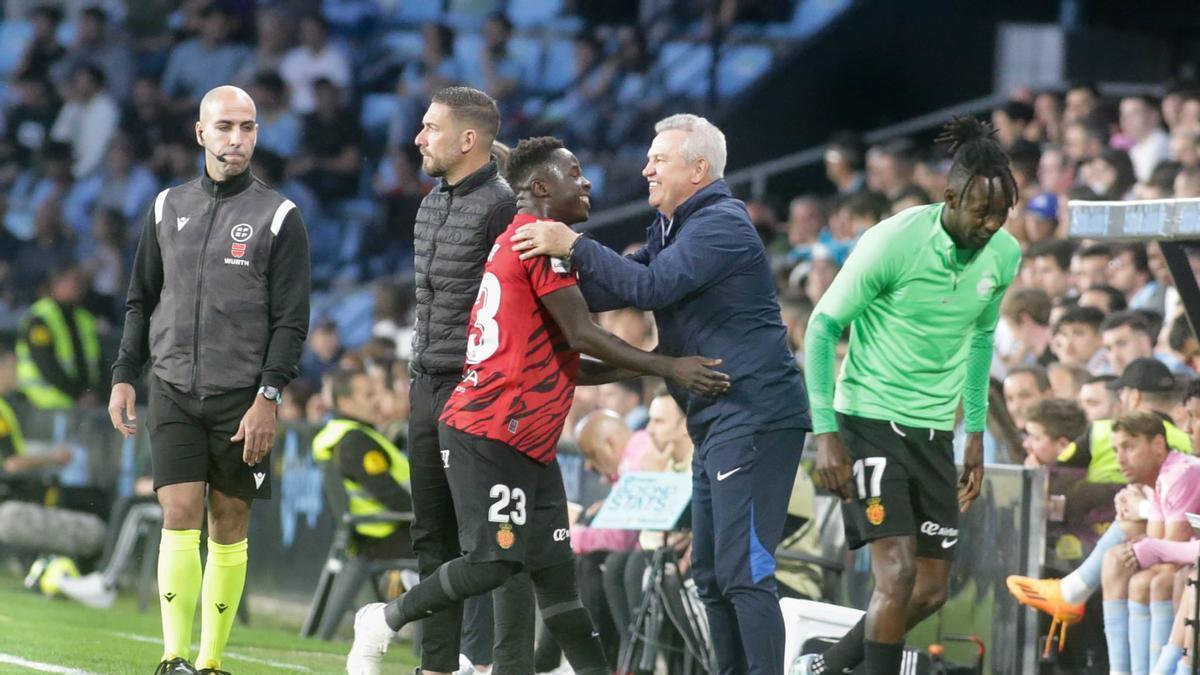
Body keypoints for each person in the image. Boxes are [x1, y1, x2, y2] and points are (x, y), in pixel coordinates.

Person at [346, 136, 730, 674]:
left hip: (528, 439)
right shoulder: (539, 242)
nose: (588, 181)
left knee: (557, 581)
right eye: (576, 172)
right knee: (493, 563)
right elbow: (583, 334)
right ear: (545, 188)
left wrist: (658, 357)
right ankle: (384, 619)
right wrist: (665, 367)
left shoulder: (520, 235)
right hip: (489, 432)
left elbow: (572, 361)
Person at [511, 114, 811, 674]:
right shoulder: (673, 227)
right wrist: (547, 264)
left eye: (659, 159)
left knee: (744, 571)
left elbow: (650, 287)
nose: (646, 168)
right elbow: (611, 286)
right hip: (718, 419)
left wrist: (573, 244)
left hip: (754, 415)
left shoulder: (721, 223)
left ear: (698, 169)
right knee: (712, 574)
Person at [796, 117, 1022, 675]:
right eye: (981, 212)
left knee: (930, 591)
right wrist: (825, 431)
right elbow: (822, 327)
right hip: (867, 419)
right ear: (950, 196)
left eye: (1001, 214)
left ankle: (823, 668)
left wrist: (974, 433)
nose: (990, 224)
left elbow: (981, 338)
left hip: (933, 432)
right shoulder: (892, 241)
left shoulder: (1004, 255)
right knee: (894, 576)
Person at [108, 85, 311, 675]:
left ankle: (212, 660)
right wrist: (125, 374)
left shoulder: (279, 217)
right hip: (170, 385)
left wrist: (268, 396)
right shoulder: (166, 207)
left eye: (247, 128)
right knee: (178, 510)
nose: (237, 139)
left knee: (229, 521)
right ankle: (174, 657)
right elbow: (140, 299)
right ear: (200, 134)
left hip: (242, 396)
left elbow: (292, 320)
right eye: (224, 127)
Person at [405, 86, 531, 675]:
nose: (419, 138)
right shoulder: (430, 204)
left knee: (490, 543)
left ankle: (492, 663)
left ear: (468, 139)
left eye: (430, 128)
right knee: (431, 536)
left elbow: (518, 306)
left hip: (477, 392)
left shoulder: (504, 207)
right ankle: (437, 667)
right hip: (424, 386)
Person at [312, 368, 412, 560]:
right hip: (386, 536)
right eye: (369, 395)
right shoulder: (356, 441)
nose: (377, 400)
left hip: (373, 536)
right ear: (345, 402)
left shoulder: (336, 432)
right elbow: (391, 495)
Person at [16, 265, 102, 410]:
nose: (79, 286)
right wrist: (78, 395)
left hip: (83, 406)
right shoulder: (40, 318)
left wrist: (95, 393)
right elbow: (46, 363)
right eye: (74, 281)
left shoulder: (84, 318)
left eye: (81, 281)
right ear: (57, 282)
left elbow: (97, 361)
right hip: (45, 406)